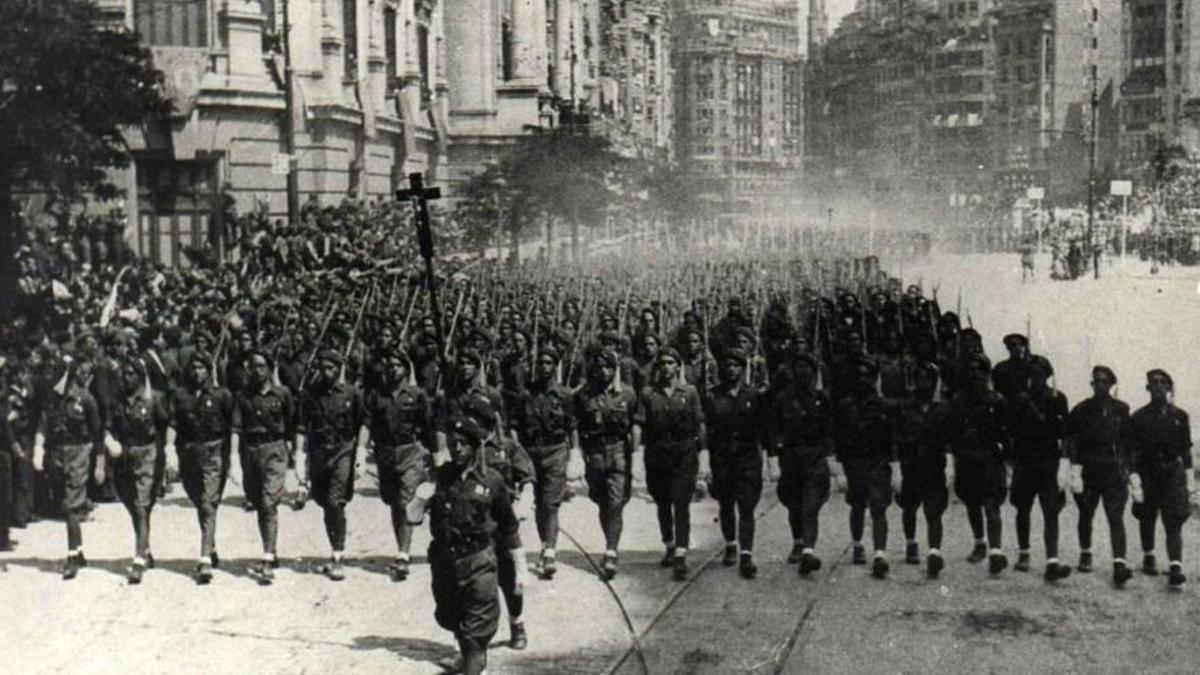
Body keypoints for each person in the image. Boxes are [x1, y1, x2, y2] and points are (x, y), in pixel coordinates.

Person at [414, 416, 526, 675]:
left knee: (476, 636)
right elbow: (413, 517)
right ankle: (468, 659)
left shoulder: (492, 481)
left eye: (464, 444)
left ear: (476, 447)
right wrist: (419, 500)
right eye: (454, 443)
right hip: (445, 564)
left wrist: (521, 568)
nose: (458, 449)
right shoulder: (440, 477)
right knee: (452, 619)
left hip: (479, 563)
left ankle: (474, 663)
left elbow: (509, 528)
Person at [634, 347, 708, 581]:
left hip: (684, 453)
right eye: (662, 363)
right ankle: (669, 543)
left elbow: (700, 424)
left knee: (681, 502)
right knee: (663, 503)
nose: (666, 367)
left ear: (678, 366)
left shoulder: (690, 392)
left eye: (670, 363)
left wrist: (704, 453)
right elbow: (639, 424)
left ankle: (680, 554)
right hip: (657, 455)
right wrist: (637, 454)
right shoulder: (648, 394)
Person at [31, 353, 104, 580]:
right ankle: (79, 550)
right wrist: (38, 449)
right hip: (56, 454)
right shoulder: (52, 400)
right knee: (64, 502)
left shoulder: (85, 399)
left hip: (78, 451)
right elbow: (43, 425)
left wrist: (99, 464)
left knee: (71, 505)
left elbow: (97, 433)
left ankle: (72, 557)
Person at [295, 349, 366, 581]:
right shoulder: (311, 394)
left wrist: (360, 453)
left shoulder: (351, 393)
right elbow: (303, 425)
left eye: (330, 368)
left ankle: (338, 555)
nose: (326, 373)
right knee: (324, 502)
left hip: (342, 450)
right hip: (318, 453)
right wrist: (299, 455)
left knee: (336, 501)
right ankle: (334, 547)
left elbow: (360, 423)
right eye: (322, 368)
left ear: (339, 369)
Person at [363, 349, 431, 581]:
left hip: (410, 451)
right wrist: (363, 452)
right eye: (389, 365)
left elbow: (429, 424)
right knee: (392, 501)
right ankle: (402, 542)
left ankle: (403, 554)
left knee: (404, 500)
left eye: (397, 365)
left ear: (405, 369)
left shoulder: (416, 394)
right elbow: (368, 424)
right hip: (385, 453)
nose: (392, 369)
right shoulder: (376, 396)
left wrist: (431, 454)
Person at [830, 356, 899, 579]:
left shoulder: (885, 406)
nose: (863, 380)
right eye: (858, 376)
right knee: (857, 505)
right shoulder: (843, 406)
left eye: (867, 376)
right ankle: (858, 544)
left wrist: (896, 468)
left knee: (879, 507)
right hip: (853, 462)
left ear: (874, 379)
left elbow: (893, 439)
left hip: (878, 461)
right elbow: (837, 438)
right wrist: (839, 471)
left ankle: (880, 553)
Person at [572, 346, 638, 579]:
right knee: (602, 501)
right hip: (595, 454)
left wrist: (636, 455)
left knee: (616, 502)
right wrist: (576, 455)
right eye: (599, 367)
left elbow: (634, 425)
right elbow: (577, 426)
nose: (603, 371)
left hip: (619, 450)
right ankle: (610, 544)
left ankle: (611, 552)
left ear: (615, 369)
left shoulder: (627, 394)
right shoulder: (583, 395)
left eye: (608, 367)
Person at [1064, 365, 1134, 586]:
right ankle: (1086, 552)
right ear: (1092, 385)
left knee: (1116, 516)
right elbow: (1070, 440)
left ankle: (1119, 564)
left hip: (1113, 470)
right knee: (1086, 513)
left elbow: (1127, 442)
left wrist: (1129, 470)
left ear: (1112, 384)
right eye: (1096, 381)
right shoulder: (1081, 409)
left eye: (1104, 381)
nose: (1100, 385)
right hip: (1089, 469)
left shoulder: (1122, 409)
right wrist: (1074, 470)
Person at [230, 350, 295, 582]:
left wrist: (295, 454)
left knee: (269, 502)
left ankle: (267, 558)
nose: (256, 371)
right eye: (252, 367)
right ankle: (271, 549)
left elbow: (290, 423)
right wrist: (234, 460)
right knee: (259, 503)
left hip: (275, 450)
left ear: (269, 368)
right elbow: (236, 428)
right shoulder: (243, 396)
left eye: (260, 366)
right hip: (251, 452)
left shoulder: (282, 393)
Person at [704, 348, 768, 578]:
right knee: (726, 504)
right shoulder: (712, 397)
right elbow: (707, 431)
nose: (730, 369)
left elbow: (763, 429)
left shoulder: (753, 396)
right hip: (722, 457)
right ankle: (731, 543)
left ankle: (746, 555)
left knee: (747, 506)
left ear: (742, 368)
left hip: (748, 457)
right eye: (726, 365)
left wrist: (769, 459)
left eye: (735, 365)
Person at [1006, 356, 1072, 581]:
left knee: (1050, 510)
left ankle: (1052, 561)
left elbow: (1064, 432)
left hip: (1048, 459)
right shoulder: (1018, 399)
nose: (1035, 377)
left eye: (1039, 373)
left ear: (1047, 375)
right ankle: (1024, 553)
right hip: (1025, 460)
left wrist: (1064, 463)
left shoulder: (1057, 398)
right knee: (1023, 508)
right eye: (1031, 373)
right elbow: (1011, 430)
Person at [514, 345, 576, 579]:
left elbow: (571, 427)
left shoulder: (564, 395)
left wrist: (575, 455)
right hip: (530, 452)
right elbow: (514, 426)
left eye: (549, 363)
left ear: (555, 366)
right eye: (540, 363)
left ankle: (550, 551)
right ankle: (545, 544)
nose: (544, 367)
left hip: (555, 451)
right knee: (539, 504)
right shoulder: (525, 394)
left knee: (550, 503)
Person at [106, 357, 171, 584]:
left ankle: (138, 560)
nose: (127, 377)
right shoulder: (117, 402)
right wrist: (109, 441)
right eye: (124, 374)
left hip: (147, 454)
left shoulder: (153, 400)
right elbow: (108, 427)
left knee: (142, 505)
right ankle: (146, 547)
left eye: (131, 373)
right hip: (125, 456)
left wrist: (166, 457)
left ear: (141, 376)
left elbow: (165, 427)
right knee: (130, 503)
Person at [943, 355, 1009, 574]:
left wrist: (1006, 458)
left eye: (980, 370)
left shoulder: (997, 400)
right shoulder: (958, 400)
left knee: (991, 504)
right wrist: (952, 459)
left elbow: (1006, 431)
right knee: (972, 503)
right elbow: (951, 431)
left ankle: (996, 551)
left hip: (990, 457)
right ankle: (979, 542)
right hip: (967, 457)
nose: (976, 374)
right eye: (972, 370)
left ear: (987, 374)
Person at [768, 353, 832, 577]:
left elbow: (829, 430)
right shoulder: (782, 399)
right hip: (791, 457)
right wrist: (773, 460)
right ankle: (798, 541)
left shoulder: (821, 399)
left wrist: (831, 461)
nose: (803, 373)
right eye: (799, 368)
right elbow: (773, 430)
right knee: (794, 503)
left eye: (808, 368)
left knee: (810, 505)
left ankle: (808, 551)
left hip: (815, 457)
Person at [1128, 369, 1193, 586]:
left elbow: (1186, 450)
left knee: (1173, 519)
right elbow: (1132, 451)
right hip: (1148, 473)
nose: (1157, 386)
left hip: (1172, 474)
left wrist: (1190, 477)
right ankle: (1149, 556)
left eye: (1162, 382)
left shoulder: (1180, 416)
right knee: (1147, 516)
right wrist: (1134, 477)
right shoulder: (1138, 417)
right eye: (1153, 383)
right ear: (1148, 388)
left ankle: (1176, 566)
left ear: (1168, 387)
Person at [892, 362, 952, 578]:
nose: (924, 383)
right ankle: (911, 543)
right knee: (909, 507)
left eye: (928, 379)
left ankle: (934, 552)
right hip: (910, 466)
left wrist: (950, 464)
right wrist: (896, 468)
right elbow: (895, 439)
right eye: (919, 378)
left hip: (934, 466)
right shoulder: (905, 408)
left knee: (933, 510)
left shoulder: (943, 409)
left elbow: (949, 439)